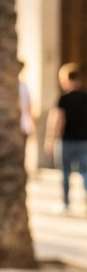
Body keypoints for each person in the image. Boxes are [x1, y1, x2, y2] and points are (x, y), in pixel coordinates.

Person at [47, 62, 87, 213]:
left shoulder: (63, 99)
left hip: (67, 140)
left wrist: (50, 138)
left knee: (65, 173)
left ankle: (65, 202)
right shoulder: (85, 97)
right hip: (84, 140)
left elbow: (57, 120)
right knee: (85, 172)